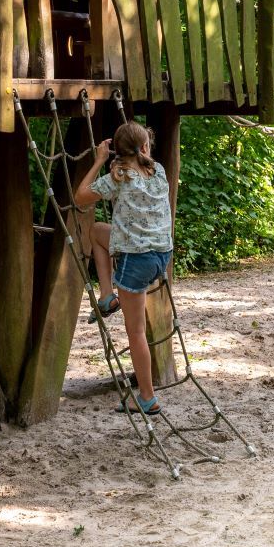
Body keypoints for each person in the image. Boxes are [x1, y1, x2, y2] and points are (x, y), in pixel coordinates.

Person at [74, 121, 175, 415]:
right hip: (161, 256)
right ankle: (107, 295)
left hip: (136, 260)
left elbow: (80, 198)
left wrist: (99, 161)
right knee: (97, 232)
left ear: (118, 151)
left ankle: (146, 397)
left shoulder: (118, 177)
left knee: (136, 332)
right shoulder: (158, 172)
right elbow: (139, 163)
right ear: (144, 148)